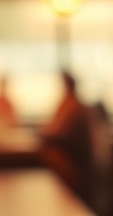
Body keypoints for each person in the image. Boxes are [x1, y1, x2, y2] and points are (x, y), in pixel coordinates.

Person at [38, 72, 95, 200]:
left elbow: (57, 132)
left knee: (48, 154)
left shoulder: (72, 106)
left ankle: (63, 194)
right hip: (78, 158)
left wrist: (42, 134)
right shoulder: (73, 104)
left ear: (67, 86)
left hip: (76, 161)